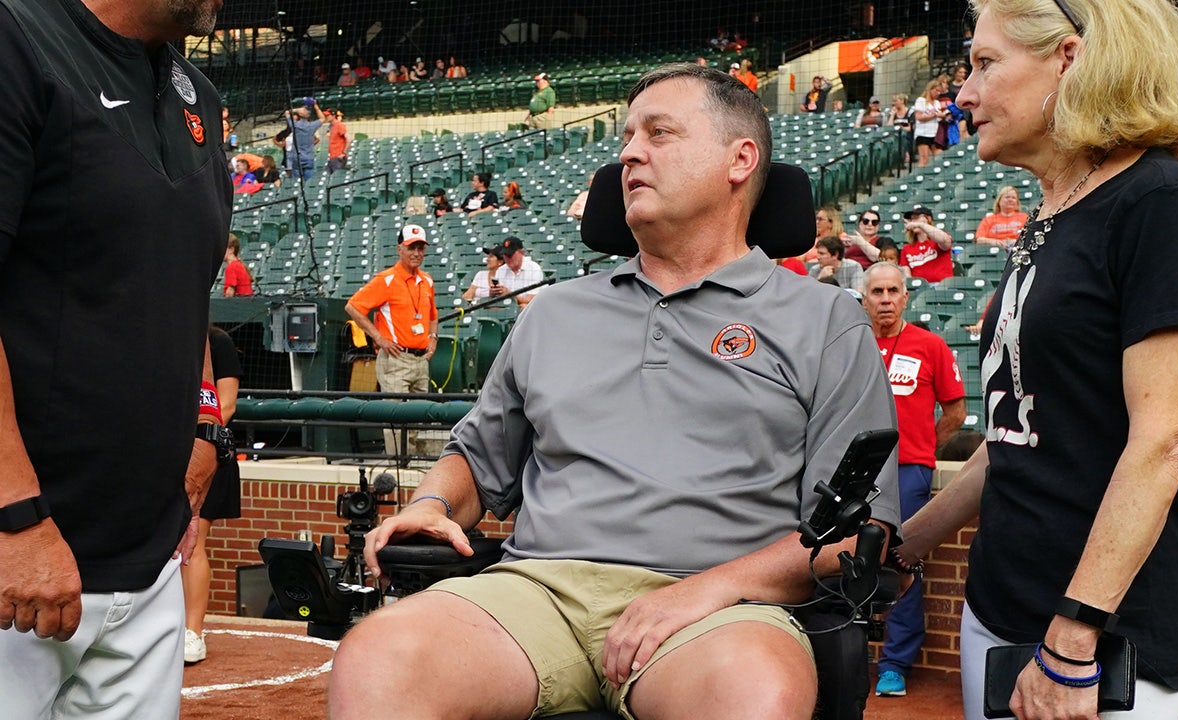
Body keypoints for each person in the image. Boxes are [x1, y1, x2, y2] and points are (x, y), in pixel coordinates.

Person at [328, 62, 900, 720]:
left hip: (720, 610)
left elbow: (855, 532)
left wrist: (705, 591)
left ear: (740, 159)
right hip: (538, 594)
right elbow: (478, 459)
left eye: (659, 133)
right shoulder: (550, 313)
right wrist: (433, 502)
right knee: (377, 659)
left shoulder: (825, 321)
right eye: (627, 137)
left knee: (755, 691)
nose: (629, 152)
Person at [892, 1, 1178, 718]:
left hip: (1098, 639)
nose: (963, 93)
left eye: (986, 64)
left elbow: (1164, 441)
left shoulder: (1164, 201)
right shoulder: (1055, 212)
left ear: (1071, 59)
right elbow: (1017, 434)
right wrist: (907, 546)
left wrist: (1074, 637)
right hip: (1003, 608)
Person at [0, 0, 233, 717]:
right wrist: (14, 516)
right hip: (19, 566)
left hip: (149, 564)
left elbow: (181, 281)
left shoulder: (201, 95)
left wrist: (202, 422)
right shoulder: (17, 40)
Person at [859, 262, 964, 698]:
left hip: (908, 471)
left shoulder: (930, 345)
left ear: (906, 297)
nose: (885, 299)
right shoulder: (851, 346)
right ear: (864, 298)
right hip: (857, 475)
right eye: (877, 291)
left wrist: (921, 449)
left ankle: (895, 663)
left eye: (893, 291)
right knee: (845, 561)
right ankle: (846, 654)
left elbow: (956, 412)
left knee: (900, 563)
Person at [344, 224, 439, 461]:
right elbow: (353, 307)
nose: (416, 253)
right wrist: (378, 338)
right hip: (396, 359)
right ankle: (398, 466)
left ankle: (414, 465)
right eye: (411, 248)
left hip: (420, 360)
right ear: (400, 249)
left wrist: (433, 338)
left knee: (419, 415)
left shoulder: (427, 280)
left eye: (420, 248)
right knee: (396, 417)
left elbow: (433, 316)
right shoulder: (386, 280)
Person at [181, 325, 243, 664]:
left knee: (195, 540)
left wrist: (196, 441)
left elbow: (227, 405)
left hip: (207, 451)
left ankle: (193, 632)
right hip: (161, 455)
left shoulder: (217, 341)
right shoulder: (162, 337)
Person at [898, 206, 954, 283]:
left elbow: (945, 240)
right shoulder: (906, 249)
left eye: (917, 218)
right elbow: (907, 274)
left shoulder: (937, 240)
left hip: (942, 286)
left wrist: (921, 225)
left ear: (928, 219)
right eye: (912, 219)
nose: (913, 221)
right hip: (919, 288)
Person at [490, 237, 544, 309]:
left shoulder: (533, 268)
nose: (507, 258)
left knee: (524, 307)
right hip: (505, 307)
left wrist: (510, 294)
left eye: (510, 255)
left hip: (528, 308)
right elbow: (498, 299)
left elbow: (533, 300)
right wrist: (493, 293)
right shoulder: (501, 270)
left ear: (522, 253)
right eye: (504, 255)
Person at [973, 186, 1028, 250]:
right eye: (1007, 197)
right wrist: (993, 242)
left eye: (1014, 198)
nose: (1010, 199)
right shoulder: (988, 219)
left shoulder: (1025, 217)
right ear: (999, 201)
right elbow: (979, 239)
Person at [912, 80, 946, 167]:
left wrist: (942, 116)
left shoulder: (937, 103)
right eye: (936, 90)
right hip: (923, 134)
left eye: (940, 91)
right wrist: (934, 115)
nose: (938, 93)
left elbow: (938, 117)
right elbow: (919, 117)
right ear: (930, 89)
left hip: (935, 133)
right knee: (924, 159)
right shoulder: (921, 100)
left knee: (939, 157)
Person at [284, 103, 322, 181]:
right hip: (308, 158)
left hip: (296, 158)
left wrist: (297, 110)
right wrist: (315, 106)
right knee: (309, 182)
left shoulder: (295, 125)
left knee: (297, 183)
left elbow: (287, 112)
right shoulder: (312, 126)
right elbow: (322, 118)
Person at [324, 107, 349, 173]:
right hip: (332, 157)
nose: (326, 117)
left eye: (328, 115)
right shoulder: (332, 126)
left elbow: (349, 139)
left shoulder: (339, 125)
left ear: (333, 116)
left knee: (336, 176)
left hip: (338, 158)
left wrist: (344, 153)